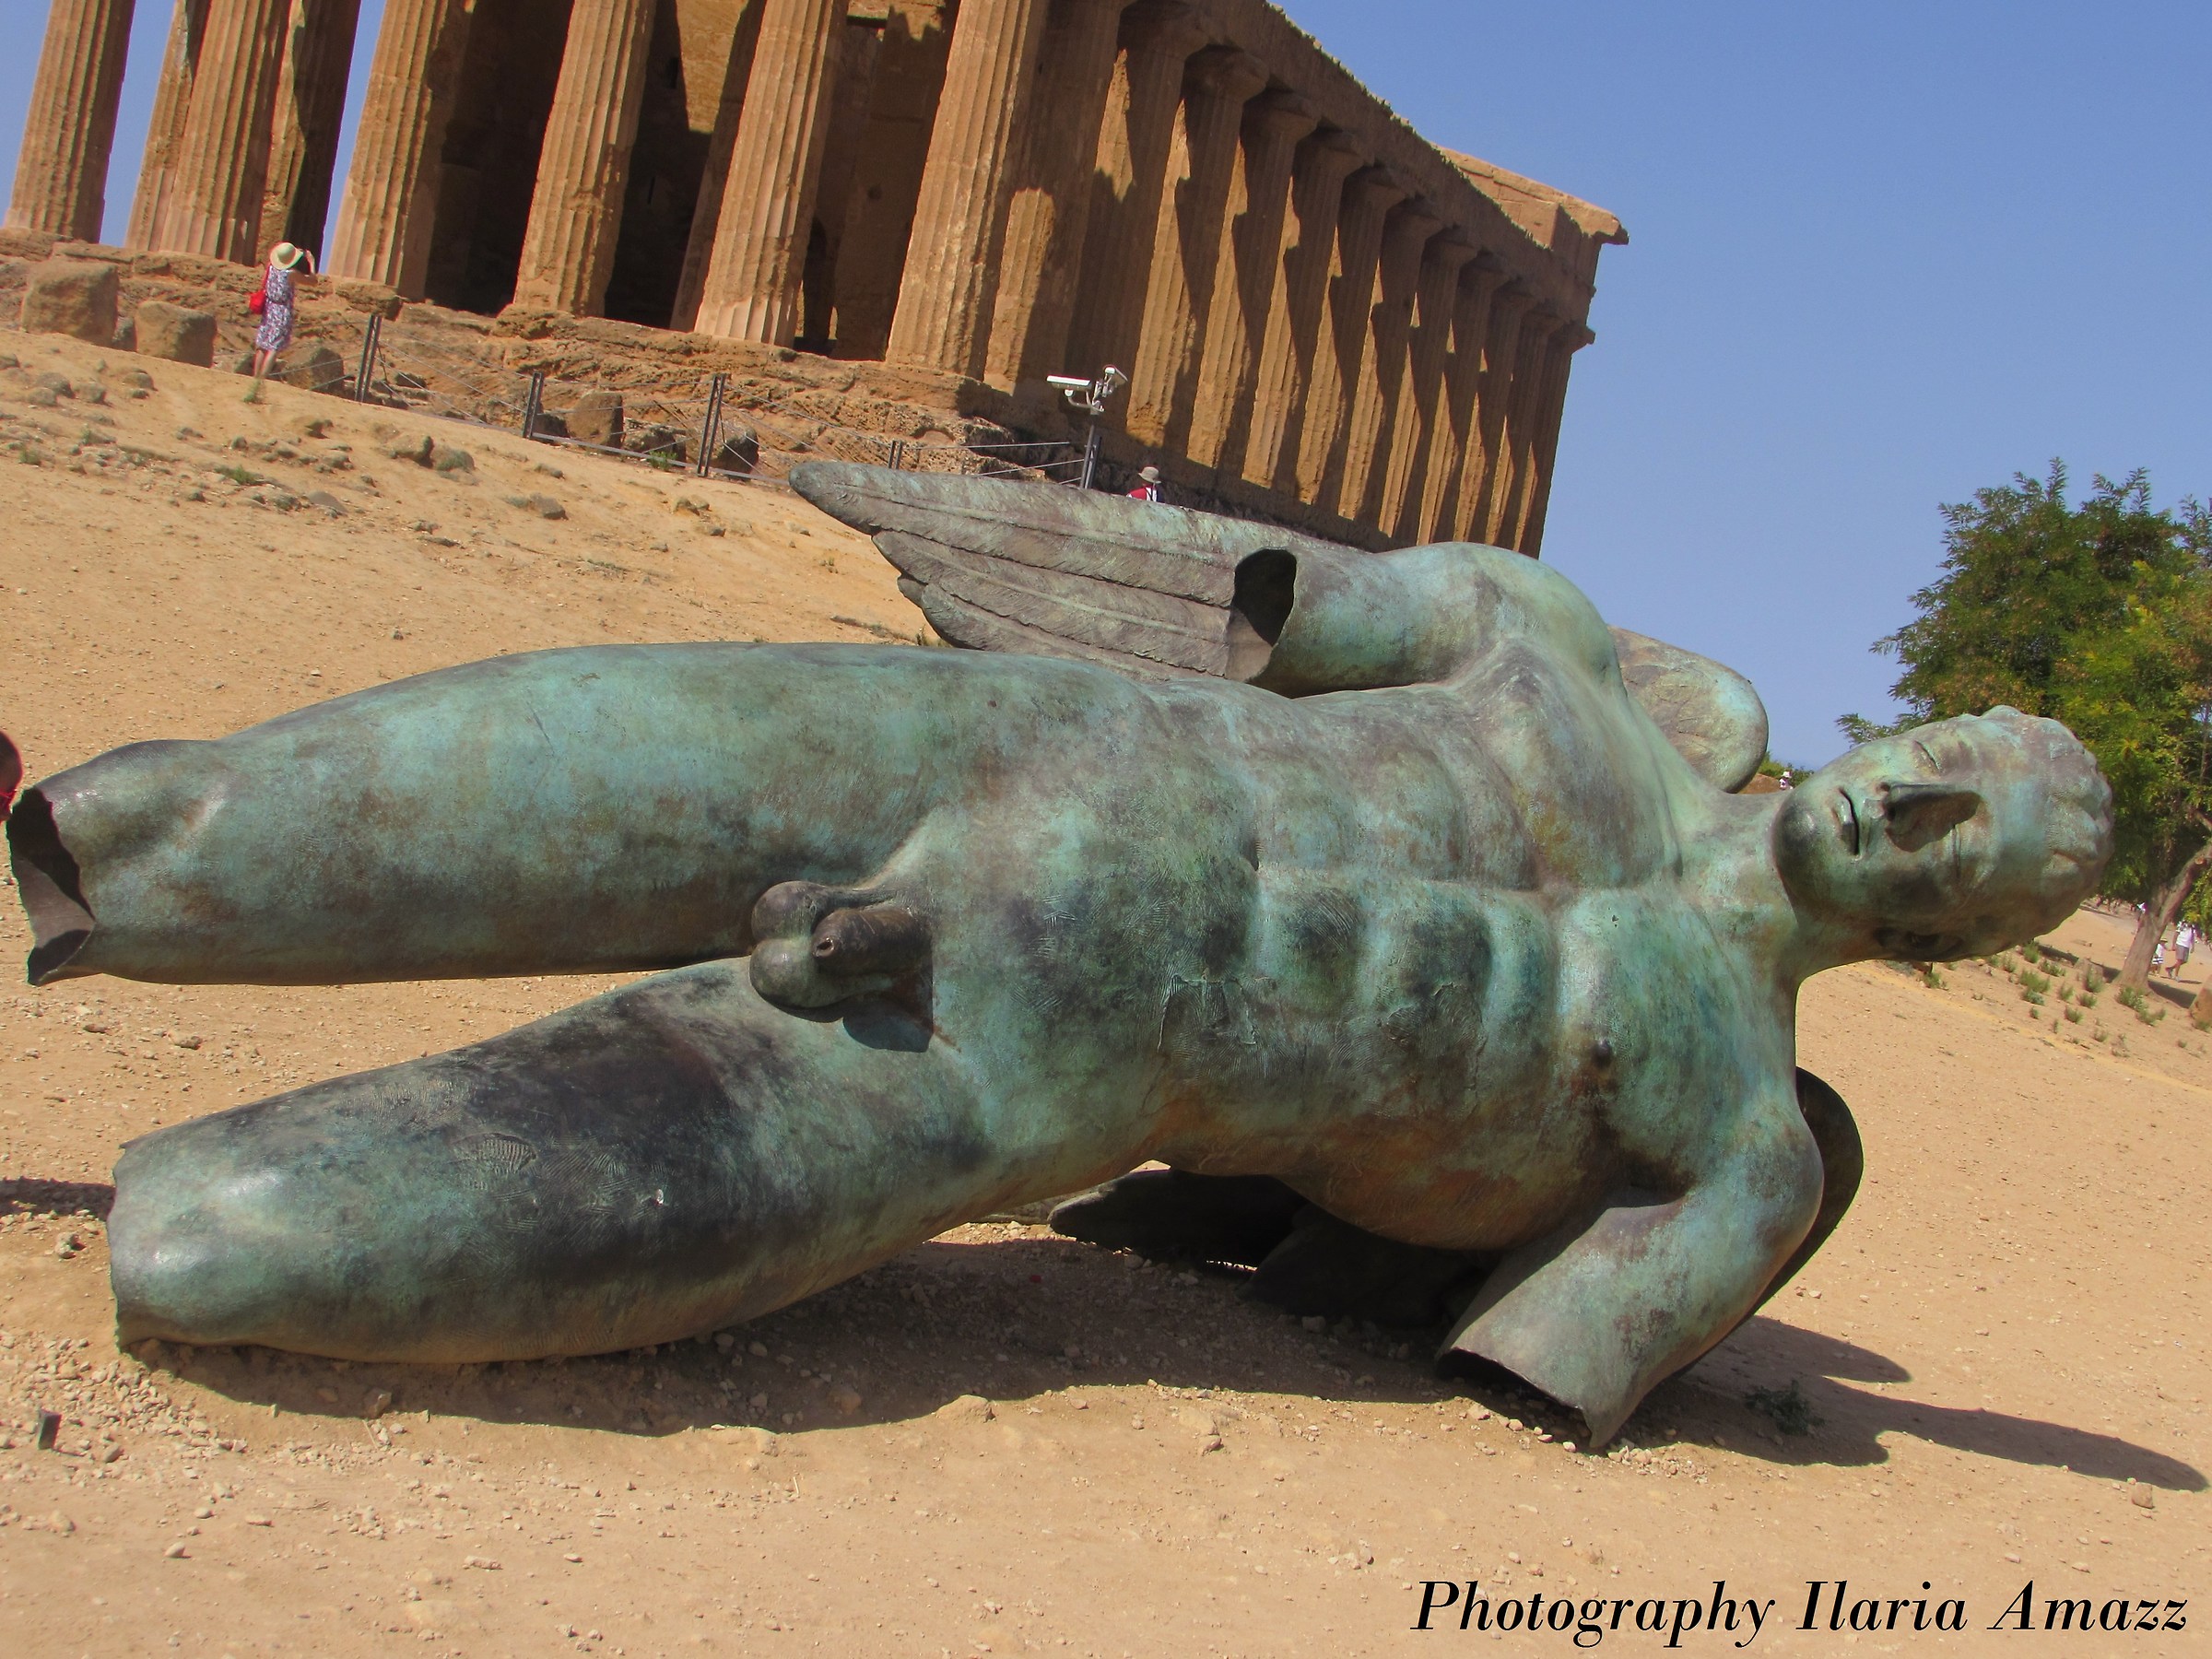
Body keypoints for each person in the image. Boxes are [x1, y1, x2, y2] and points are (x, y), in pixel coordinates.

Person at [6, 477, 2113, 1446]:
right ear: (1899, 729)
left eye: (1959, 860)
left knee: (225, 1246)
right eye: (1934, 769)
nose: (1903, 820)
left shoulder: (1736, 1144)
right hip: (982, 742)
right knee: (188, 828)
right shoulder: (1548, 650)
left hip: (1027, 1047)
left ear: (1963, 935)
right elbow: (1241, 606)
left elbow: (1517, 1348)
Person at [246, 241, 313, 401]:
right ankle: (261, 380)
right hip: (282, 310)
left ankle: (255, 378)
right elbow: (313, 280)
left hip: (269, 308)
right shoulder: (290, 273)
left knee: (262, 345)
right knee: (274, 347)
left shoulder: (270, 267)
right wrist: (311, 262)